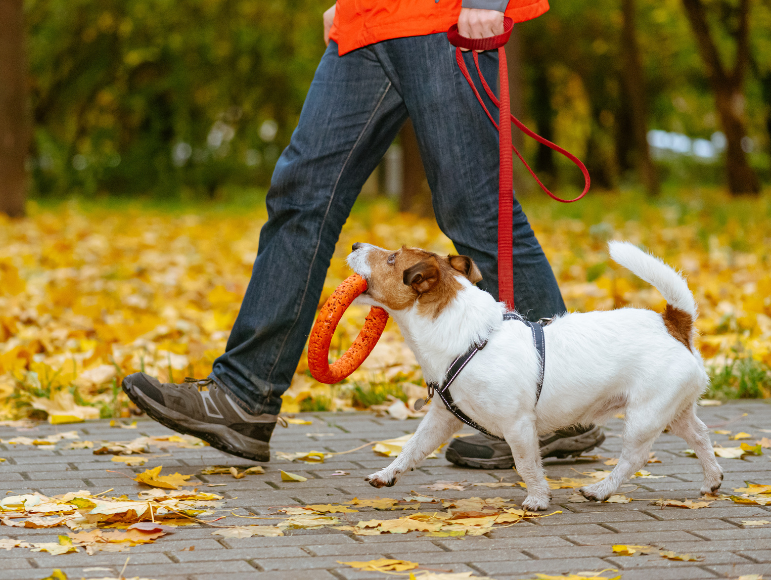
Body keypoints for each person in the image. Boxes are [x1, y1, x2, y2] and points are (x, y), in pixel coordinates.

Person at [122, 0, 604, 467]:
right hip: (367, 20)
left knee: (476, 213)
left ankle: (557, 408)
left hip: (444, 18)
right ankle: (244, 394)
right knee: (301, 195)